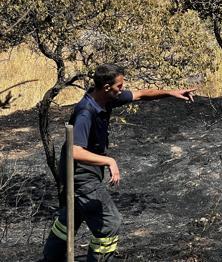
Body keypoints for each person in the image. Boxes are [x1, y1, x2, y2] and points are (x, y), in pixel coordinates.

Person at [43, 64, 196, 262]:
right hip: (79, 174)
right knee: (110, 222)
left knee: (73, 215)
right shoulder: (86, 112)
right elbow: (75, 151)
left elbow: (141, 94)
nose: (123, 89)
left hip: (83, 171)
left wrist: (171, 92)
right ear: (107, 87)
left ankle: (50, 258)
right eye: (120, 85)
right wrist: (110, 160)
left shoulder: (106, 99)